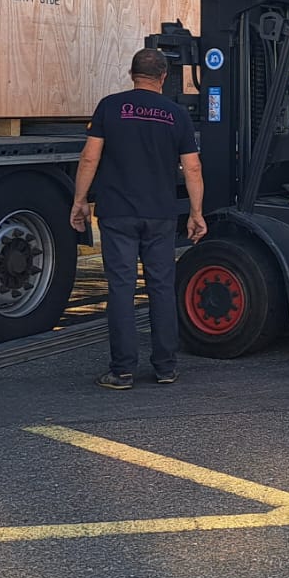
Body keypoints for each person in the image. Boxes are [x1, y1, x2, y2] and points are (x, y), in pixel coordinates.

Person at [70, 47, 208, 390]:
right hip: (160, 214)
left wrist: (80, 201)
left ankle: (122, 371)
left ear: (132, 74)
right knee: (161, 287)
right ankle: (165, 367)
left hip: (117, 213)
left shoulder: (110, 106)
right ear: (163, 77)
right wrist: (196, 212)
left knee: (121, 288)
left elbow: (89, 158)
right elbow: (192, 166)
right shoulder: (176, 114)